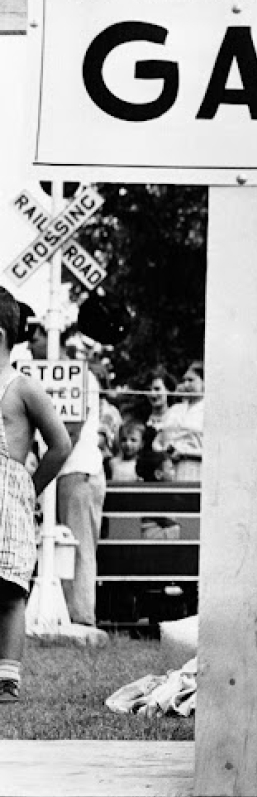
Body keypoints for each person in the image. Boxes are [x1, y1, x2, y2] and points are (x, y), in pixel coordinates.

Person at [0, 289, 72, 703]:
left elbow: (59, 444)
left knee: (9, 589)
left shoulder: (21, 387)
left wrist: (31, 485)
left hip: (8, 501)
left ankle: (7, 678)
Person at [28, 322, 107, 628]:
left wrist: (41, 475)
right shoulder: (38, 379)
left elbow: (69, 433)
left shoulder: (81, 377)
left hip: (78, 471)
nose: (30, 346)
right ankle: (62, 616)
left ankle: (82, 618)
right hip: (60, 475)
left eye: (35, 338)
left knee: (79, 546)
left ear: (53, 339)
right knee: (59, 546)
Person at [158, 362, 204, 482]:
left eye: (191, 380)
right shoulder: (174, 410)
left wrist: (185, 453)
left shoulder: (209, 410)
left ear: (204, 382)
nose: (186, 385)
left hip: (197, 469)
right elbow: (158, 441)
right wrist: (165, 451)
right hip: (171, 469)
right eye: (184, 381)